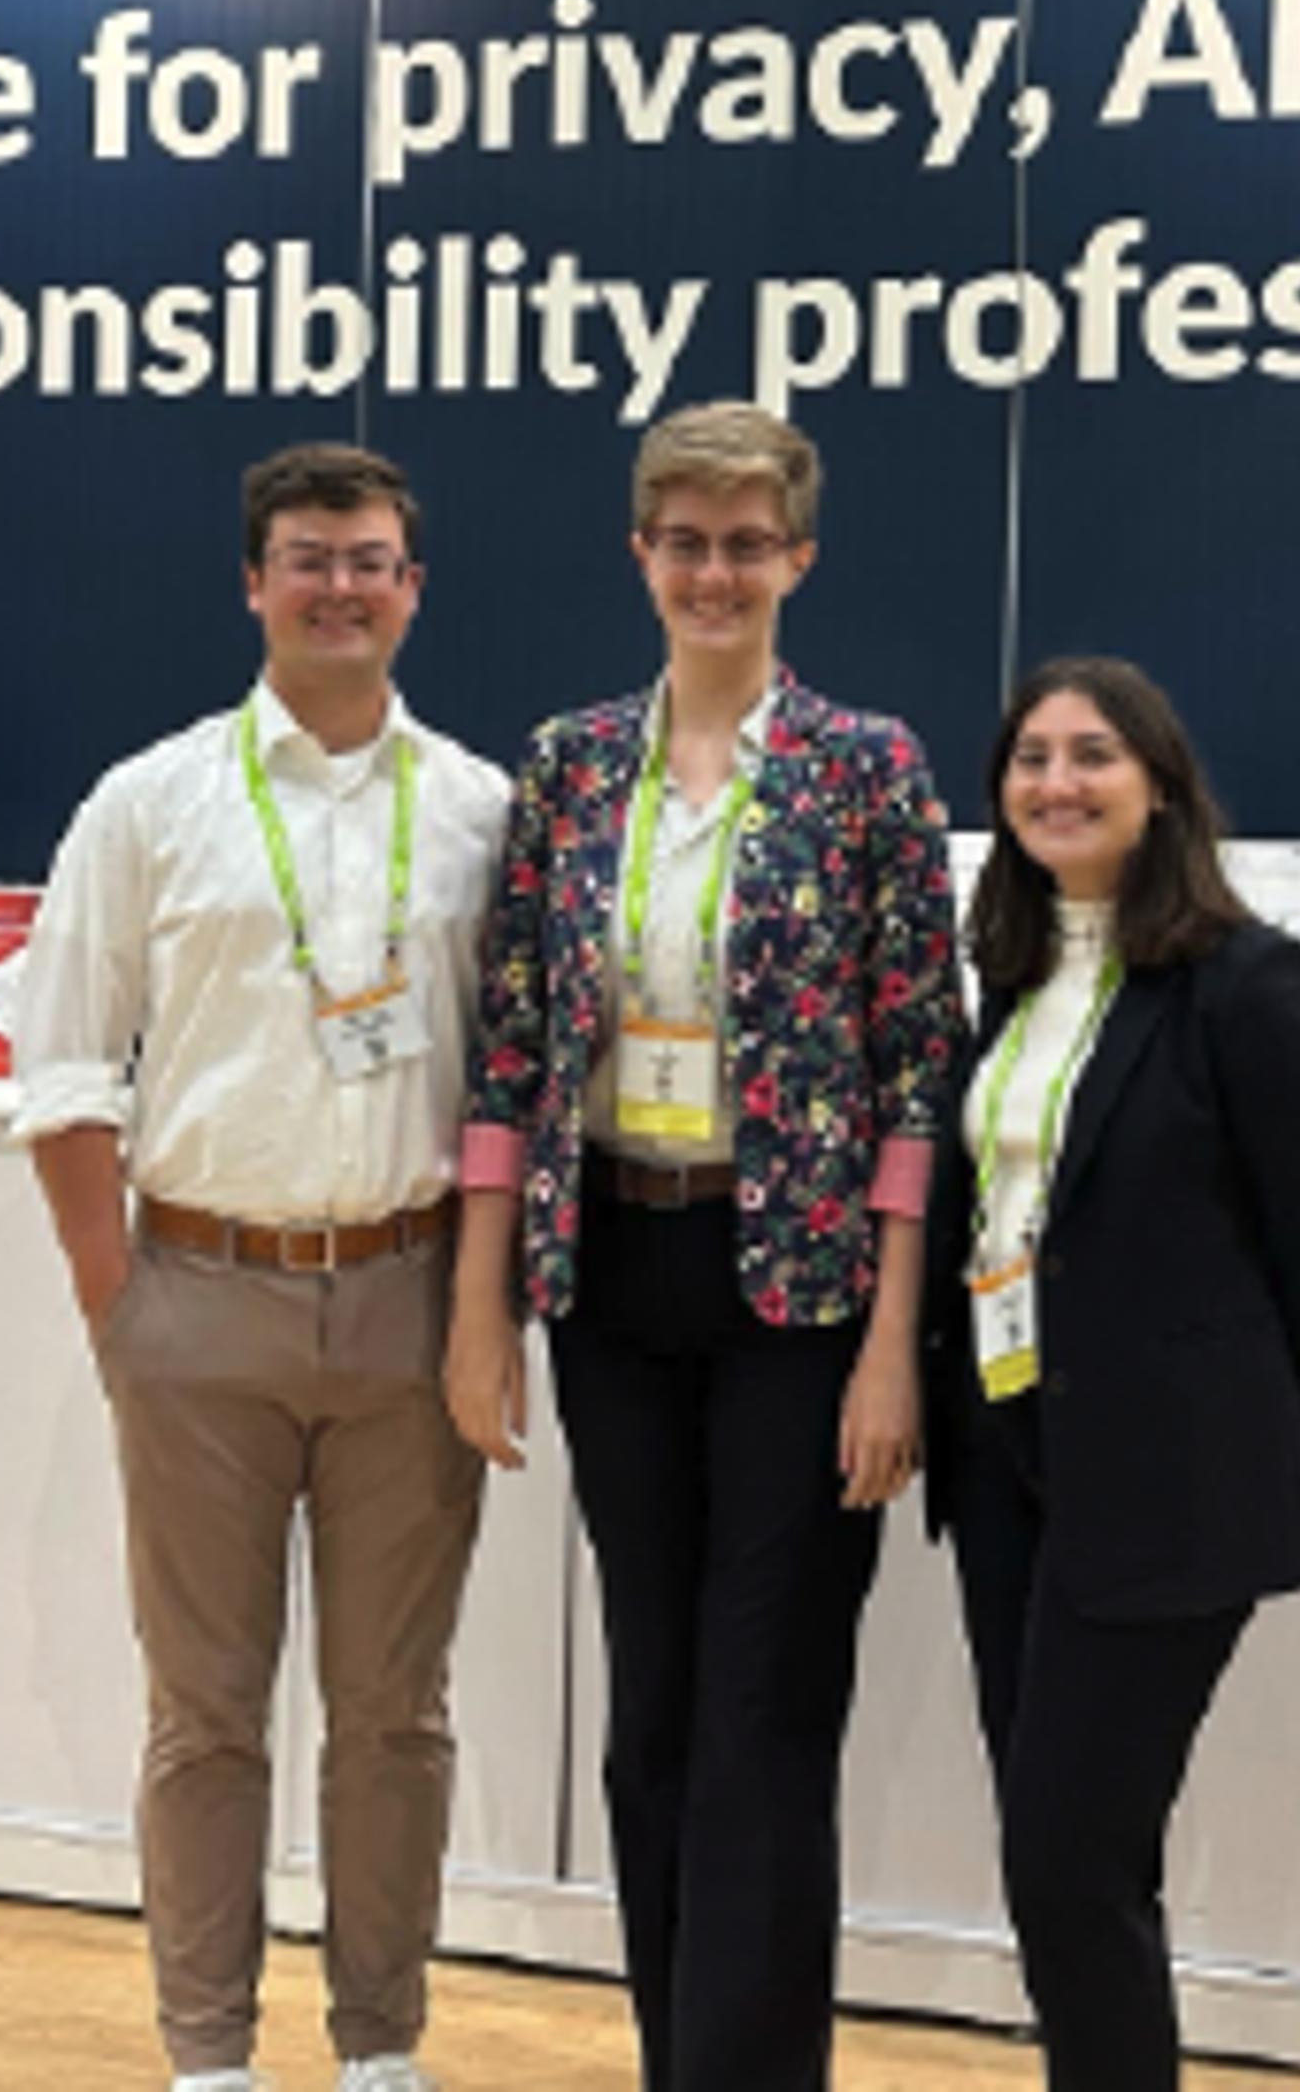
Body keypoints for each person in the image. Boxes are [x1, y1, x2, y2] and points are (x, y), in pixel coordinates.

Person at [443, 401, 967, 2090]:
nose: (717, 569)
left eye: (749, 540)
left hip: (804, 1300)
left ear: (799, 557)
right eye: (686, 538)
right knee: (654, 1716)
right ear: (641, 555)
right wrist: (482, 1311)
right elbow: (512, 1051)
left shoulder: (867, 766)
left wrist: (894, 1342)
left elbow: (917, 1069)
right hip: (613, 1272)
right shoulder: (571, 761)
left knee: (765, 1714)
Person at [10, 442, 508, 2092]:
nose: (341, 587)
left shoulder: (485, 810)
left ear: (413, 587)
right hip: (198, 1301)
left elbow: (509, 1083)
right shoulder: (150, 802)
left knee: (394, 1714)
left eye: (371, 559)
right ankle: (208, 2055)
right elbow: (65, 1067)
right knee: (205, 1711)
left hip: (413, 1303)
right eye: (309, 558)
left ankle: (380, 2048)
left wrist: (484, 1311)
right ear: (254, 583)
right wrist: (120, 1301)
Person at [918, 656, 1300, 2092]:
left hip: (1171, 1486)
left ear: (1161, 784)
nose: (1059, 781)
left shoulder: (1244, 985)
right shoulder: (1001, 972)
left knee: (1068, 1854)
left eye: (1093, 754)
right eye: (1032, 757)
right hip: (1010, 1462)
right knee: (1071, 1857)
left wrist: (1288, 1479)